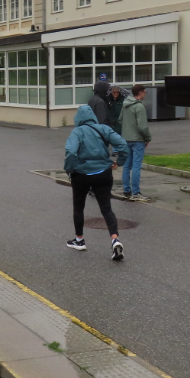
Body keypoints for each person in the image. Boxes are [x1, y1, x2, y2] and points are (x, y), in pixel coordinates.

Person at [64, 105, 129, 261]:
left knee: (79, 207)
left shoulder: (77, 132)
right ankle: (115, 240)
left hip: (81, 174)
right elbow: (123, 145)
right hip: (103, 172)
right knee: (106, 208)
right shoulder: (104, 129)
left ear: (78, 118)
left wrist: (69, 169)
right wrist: (118, 161)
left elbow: (71, 152)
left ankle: (79, 240)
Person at [120, 84, 152, 201]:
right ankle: (136, 192)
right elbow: (142, 126)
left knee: (127, 166)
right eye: (145, 92)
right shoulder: (139, 107)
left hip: (126, 138)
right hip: (137, 139)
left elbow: (120, 119)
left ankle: (126, 190)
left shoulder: (125, 105)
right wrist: (147, 137)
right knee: (136, 166)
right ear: (140, 93)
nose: (145, 94)